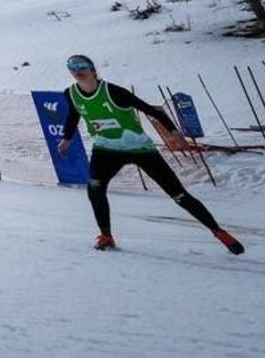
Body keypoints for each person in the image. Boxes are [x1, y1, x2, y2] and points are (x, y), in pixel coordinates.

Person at [58, 54, 243, 254]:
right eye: (72, 66)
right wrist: (66, 138)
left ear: (92, 69)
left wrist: (174, 132)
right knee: (95, 189)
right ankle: (106, 236)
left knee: (178, 195)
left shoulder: (113, 92)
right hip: (106, 149)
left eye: (81, 65)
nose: (77, 69)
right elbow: (74, 115)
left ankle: (218, 232)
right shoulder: (71, 93)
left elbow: (153, 111)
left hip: (140, 149)